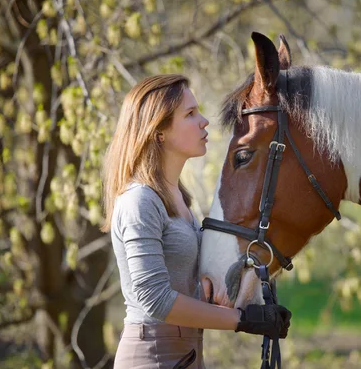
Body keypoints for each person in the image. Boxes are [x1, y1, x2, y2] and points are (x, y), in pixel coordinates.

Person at [101, 74, 292, 368]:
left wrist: (252, 296)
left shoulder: (180, 200)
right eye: (190, 114)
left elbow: (191, 289)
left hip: (187, 355)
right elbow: (155, 299)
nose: (204, 121)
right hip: (151, 356)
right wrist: (241, 321)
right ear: (159, 132)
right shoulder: (140, 201)